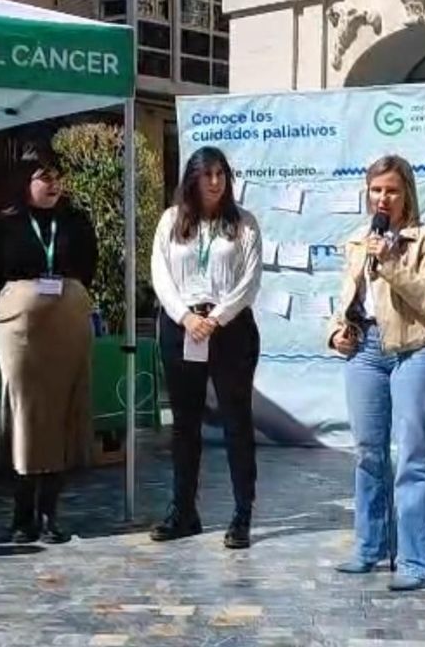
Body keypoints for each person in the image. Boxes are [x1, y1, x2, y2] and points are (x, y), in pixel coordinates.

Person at [328, 154, 425, 591]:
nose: (383, 198)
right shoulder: (357, 240)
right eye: (376, 190)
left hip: (415, 349)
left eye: (392, 190)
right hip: (365, 351)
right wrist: (335, 334)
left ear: (406, 194)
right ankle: (370, 546)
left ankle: (417, 561)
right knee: (367, 453)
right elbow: (347, 299)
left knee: (414, 454)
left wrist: (392, 261)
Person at [0, 143, 97, 544]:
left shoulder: (76, 222)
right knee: (27, 414)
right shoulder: (4, 224)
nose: (53, 184)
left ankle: (49, 514)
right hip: (22, 334)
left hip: (67, 329)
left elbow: (88, 268)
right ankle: (22, 514)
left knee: (61, 414)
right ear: (24, 181)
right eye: (44, 177)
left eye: (57, 176)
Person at [150, 146, 263, 549]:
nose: (215, 182)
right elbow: (160, 274)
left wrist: (216, 318)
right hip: (182, 327)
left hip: (229, 329)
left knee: (236, 422)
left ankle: (242, 514)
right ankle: (183, 512)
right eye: (207, 174)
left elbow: (250, 280)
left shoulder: (244, 223)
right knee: (184, 424)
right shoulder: (171, 220)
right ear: (192, 179)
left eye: (221, 174)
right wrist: (185, 317)